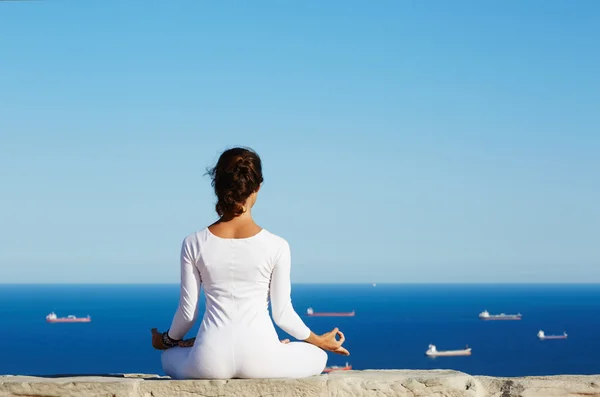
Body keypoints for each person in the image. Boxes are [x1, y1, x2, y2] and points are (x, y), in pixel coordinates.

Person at [151, 147, 349, 379]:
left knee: (168, 356)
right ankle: (276, 348)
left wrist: (165, 340)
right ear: (257, 188)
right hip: (262, 359)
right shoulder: (277, 245)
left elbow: (187, 314)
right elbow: (283, 314)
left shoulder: (194, 242)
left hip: (209, 361)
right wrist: (319, 340)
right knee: (319, 355)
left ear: (218, 186)